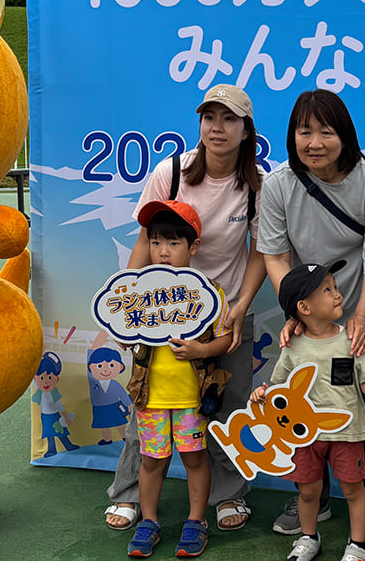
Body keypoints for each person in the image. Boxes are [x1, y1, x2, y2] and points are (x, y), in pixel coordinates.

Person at [105, 84, 266, 532]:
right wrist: (127, 308)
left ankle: (228, 495)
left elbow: (260, 251)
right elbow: (145, 239)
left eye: (229, 119)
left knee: (226, 403)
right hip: (161, 311)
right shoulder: (171, 173)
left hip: (224, 312)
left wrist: (240, 305)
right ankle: (128, 495)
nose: (218, 128)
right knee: (148, 398)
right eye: (209, 117)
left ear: (246, 129)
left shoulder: (257, 185)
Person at [259, 89, 365, 542]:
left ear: (345, 136)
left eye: (326, 132)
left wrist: (359, 317)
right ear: (292, 137)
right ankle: (311, 499)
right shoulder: (279, 184)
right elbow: (275, 256)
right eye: (305, 132)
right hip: (309, 319)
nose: (314, 142)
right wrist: (298, 312)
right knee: (303, 401)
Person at [256, 261, 365, 561]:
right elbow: (277, 388)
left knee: (354, 490)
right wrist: (262, 394)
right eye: (327, 290)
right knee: (307, 492)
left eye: (335, 286)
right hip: (304, 436)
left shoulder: (352, 339)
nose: (338, 294)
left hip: (347, 433)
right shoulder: (292, 346)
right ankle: (309, 538)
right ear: (303, 308)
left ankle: (358, 547)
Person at [123, 201, 234, 558]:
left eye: (173, 243)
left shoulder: (209, 292)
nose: (163, 251)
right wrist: (123, 335)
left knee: (195, 459)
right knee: (151, 461)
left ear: (193, 246)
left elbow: (225, 338)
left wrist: (201, 350)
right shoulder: (137, 292)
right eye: (155, 242)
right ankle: (149, 522)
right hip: (150, 397)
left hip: (192, 398)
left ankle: (196, 522)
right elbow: (123, 334)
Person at [32, 351, 79, 456]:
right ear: (36, 378)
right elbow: (33, 381)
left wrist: (65, 415)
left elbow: (59, 404)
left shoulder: (53, 392)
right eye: (42, 378)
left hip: (54, 414)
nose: (46, 382)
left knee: (60, 430)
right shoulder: (39, 391)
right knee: (49, 433)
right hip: (45, 415)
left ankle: (68, 446)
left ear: (56, 379)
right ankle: (52, 449)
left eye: (50, 378)